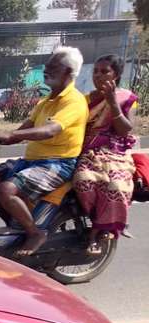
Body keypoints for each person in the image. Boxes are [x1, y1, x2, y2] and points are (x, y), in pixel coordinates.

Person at [0, 46, 89, 256]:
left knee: (6, 190)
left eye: (54, 66)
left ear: (69, 73)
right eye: (47, 64)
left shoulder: (75, 101)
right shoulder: (45, 102)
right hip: (32, 161)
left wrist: (14, 136)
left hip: (57, 163)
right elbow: (23, 130)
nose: (47, 69)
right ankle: (16, 225)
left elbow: (49, 130)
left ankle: (35, 233)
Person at [73, 54, 138, 254]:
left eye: (104, 71)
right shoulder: (85, 99)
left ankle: (100, 231)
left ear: (116, 75)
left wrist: (112, 103)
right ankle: (99, 220)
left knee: (117, 185)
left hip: (115, 151)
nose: (98, 76)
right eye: (95, 71)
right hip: (89, 150)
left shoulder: (127, 98)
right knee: (84, 181)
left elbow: (125, 130)